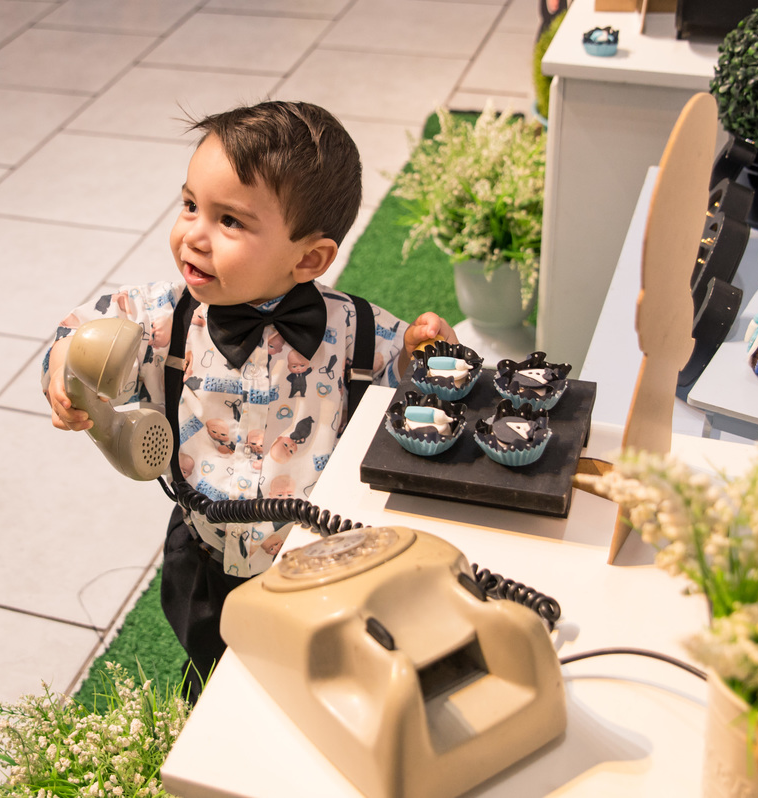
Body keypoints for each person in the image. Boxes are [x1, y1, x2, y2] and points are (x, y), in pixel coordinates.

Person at [42, 101, 457, 701]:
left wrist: (425, 356)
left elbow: (413, 393)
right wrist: (66, 366)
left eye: (229, 221)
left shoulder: (356, 331)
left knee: (313, 686)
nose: (194, 235)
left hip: (317, 562)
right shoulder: (166, 317)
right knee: (208, 673)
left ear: (309, 258)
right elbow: (81, 330)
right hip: (204, 552)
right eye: (190, 206)